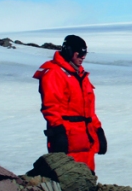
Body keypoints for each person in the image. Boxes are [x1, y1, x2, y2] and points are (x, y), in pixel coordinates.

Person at [33, 35, 106, 172]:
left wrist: (98, 130)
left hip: (86, 139)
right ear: (69, 51)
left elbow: (89, 109)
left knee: (87, 180)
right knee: (68, 183)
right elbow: (51, 107)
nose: (83, 57)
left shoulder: (80, 75)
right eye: (79, 53)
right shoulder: (54, 73)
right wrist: (58, 133)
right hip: (68, 139)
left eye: (85, 53)